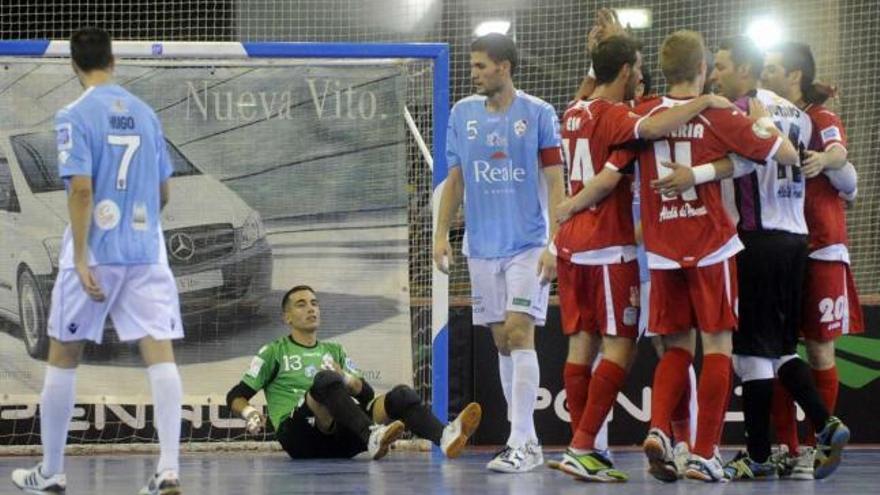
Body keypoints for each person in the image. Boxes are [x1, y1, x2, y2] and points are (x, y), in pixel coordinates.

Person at [616, 30, 799, 483]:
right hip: (711, 244)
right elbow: (787, 154)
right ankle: (703, 452)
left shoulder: (642, 113)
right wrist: (762, 121)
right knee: (717, 345)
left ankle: (659, 428)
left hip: (661, 249)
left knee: (677, 346)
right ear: (701, 70)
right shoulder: (719, 114)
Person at [550, 34, 734, 482]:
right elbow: (650, 131)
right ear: (628, 71)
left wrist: (562, 221)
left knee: (583, 344)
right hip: (608, 245)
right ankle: (583, 445)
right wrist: (708, 99)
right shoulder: (620, 117)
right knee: (624, 345)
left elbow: (601, 101)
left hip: (573, 247)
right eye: (636, 66)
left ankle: (588, 446)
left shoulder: (575, 109)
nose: (640, 74)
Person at [10, 27, 185, 495]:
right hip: (146, 253)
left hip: (96, 255)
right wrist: (139, 227)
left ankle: (51, 473)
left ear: (73, 65)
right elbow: (164, 190)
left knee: (63, 356)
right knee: (160, 354)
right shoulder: (148, 115)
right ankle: (168, 470)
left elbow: (82, 189)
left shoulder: (73, 114)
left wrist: (83, 255)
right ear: (114, 61)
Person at [710, 35, 850, 481]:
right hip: (795, 242)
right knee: (780, 350)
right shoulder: (802, 118)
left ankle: (760, 454)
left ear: (746, 72)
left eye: (723, 66)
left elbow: (745, 161)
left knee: (751, 352)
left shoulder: (746, 109)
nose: (716, 75)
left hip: (759, 238)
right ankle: (819, 425)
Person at [433, 32, 565, 473]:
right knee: (500, 342)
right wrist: (440, 235)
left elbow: (556, 182)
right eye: (472, 66)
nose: (474, 74)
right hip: (481, 247)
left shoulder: (540, 113)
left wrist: (555, 242)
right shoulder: (462, 113)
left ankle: (522, 441)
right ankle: (523, 441)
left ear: (504, 67)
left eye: (480, 66)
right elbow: (455, 180)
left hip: (528, 245)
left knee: (518, 332)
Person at [225, 285, 482, 461]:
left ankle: (445, 437)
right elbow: (237, 394)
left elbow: (366, 393)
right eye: (301, 305)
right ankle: (372, 435)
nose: (311, 309)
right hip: (300, 436)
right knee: (325, 379)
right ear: (287, 318)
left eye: (314, 303)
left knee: (401, 394)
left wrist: (346, 379)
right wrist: (249, 413)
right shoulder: (274, 351)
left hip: (344, 437)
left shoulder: (334, 350)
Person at [760, 41, 861, 480]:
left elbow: (841, 157)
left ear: (794, 77)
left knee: (819, 349)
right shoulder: (774, 118)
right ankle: (790, 447)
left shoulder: (819, 119)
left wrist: (826, 159)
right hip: (786, 248)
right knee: (778, 350)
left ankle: (821, 447)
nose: (764, 76)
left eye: (772, 69)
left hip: (822, 249)